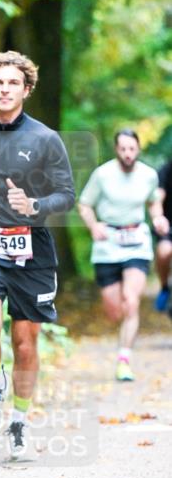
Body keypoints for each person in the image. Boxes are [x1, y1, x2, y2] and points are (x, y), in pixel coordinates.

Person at [0, 51, 75, 460]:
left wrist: (35, 206)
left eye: (13, 83)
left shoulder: (45, 139)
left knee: (25, 344)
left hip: (33, 251)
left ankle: (20, 422)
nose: (5, 89)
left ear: (26, 89)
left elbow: (67, 195)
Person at [78, 130, 169, 380]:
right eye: (123, 149)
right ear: (116, 150)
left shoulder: (148, 175)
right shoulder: (103, 174)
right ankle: (122, 341)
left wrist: (158, 218)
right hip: (108, 243)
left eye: (132, 149)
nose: (128, 154)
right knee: (114, 310)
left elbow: (153, 202)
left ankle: (124, 358)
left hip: (136, 241)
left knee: (131, 301)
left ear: (138, 149)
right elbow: (85, 204)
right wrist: (94, 226)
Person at [153, 156, 172, 313]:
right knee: (164, 251)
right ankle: (164, 286)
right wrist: (158, 217)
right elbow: (158, 196)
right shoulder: (166, 170)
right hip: (167, 227)